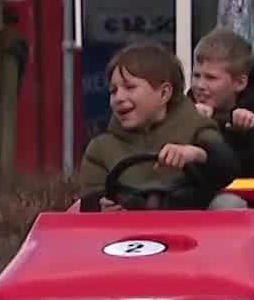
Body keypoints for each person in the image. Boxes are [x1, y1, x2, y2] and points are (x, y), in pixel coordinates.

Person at [77, 41, 239, 211]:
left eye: (130, 87)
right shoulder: (101, 148)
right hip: (127, 226)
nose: (119, 98)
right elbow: (88, 202)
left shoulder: (197, 127)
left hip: (190, 222)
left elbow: (227, 169)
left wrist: (197, 154)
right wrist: (101, 208)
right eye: (113, 91)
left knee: (229, 204)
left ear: (163, 93)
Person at [190, 28, 254, 201]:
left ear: (240, 83)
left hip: (249, 202)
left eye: (211, 78)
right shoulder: (182, 110)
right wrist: (189, 123)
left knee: (227, 204)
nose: (200, 85)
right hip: (189, 201)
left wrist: (246, 132)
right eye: (196, 76)